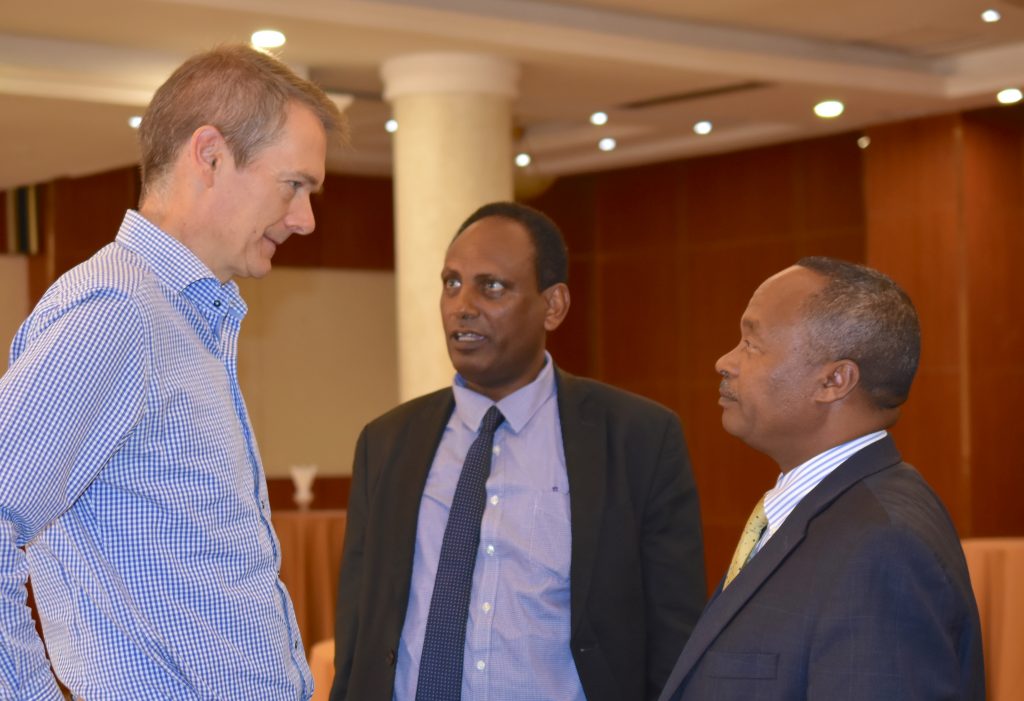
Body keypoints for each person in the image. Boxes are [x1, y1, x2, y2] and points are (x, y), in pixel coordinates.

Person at [0, 45, 345, 699]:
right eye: (293, 184)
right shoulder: (118, 311)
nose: (304, 219)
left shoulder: (182, 317)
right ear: (210, 155)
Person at [330, 202, 706, 701]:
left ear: (554, 305)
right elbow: (358, 629)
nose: (462, 304)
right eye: (451, 283)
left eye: (492, 286)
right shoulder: (386, 442)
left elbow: (675, 634)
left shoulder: (638, 438)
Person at [658, 257, 985, 700]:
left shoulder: (880, 547)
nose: (724, 361)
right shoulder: (834, 512)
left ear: (834, 380)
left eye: (751, 344)